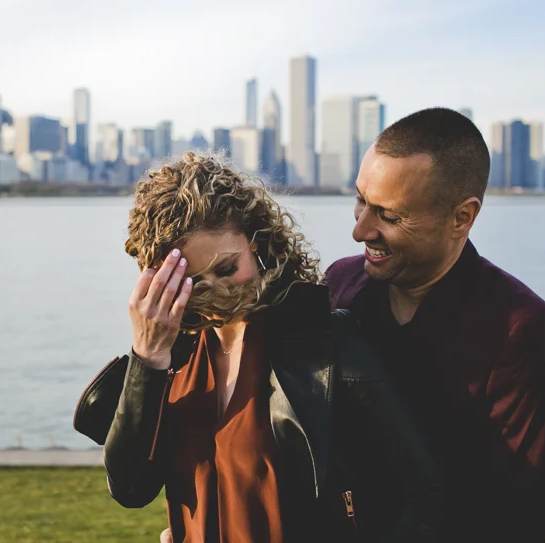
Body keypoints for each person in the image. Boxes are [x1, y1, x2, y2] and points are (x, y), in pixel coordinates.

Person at [99, 152, 441, 542]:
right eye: (193, 281)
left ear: (256, 241)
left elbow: (422, 493)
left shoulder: (324, 346)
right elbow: (130, 488)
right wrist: (147, 357)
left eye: (227, 268)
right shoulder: (173, 357)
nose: (220, 289)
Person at [324, 108, 545, 543]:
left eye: (389, 215)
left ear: (462, 217)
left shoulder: (523, 334)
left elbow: (514, 522)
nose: (361, 230)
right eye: (361, 199)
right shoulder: (338, 284)